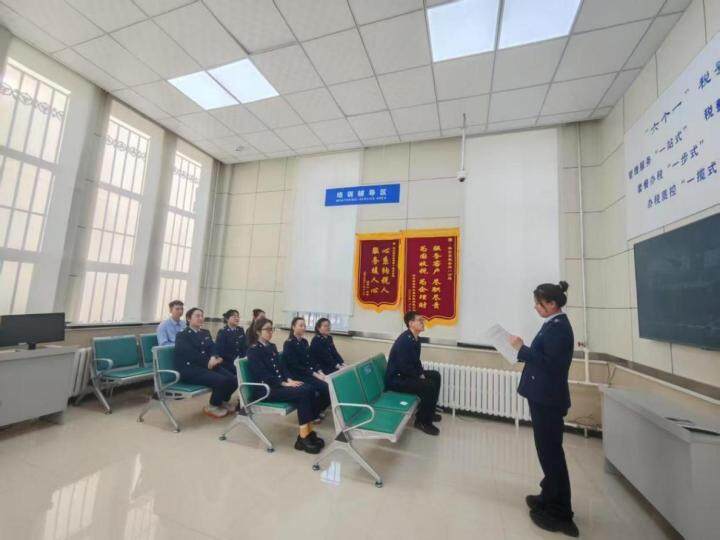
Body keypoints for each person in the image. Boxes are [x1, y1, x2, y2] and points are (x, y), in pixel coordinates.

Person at [508, 281, 579, 537]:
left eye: (539, 304)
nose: (536, 308)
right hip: (542, 396)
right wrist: (524, 350)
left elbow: (551, 364)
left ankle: (560, 512)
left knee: (551, 454)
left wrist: (522, 349)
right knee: (546, 451)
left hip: (548, 398)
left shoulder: (559, 328)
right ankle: (548, 495)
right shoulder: (552, 324)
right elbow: (545, 357)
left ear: (552, 304)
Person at [246, 317, 325, 454]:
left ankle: (306, 433)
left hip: (277, 386)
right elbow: (263, 374)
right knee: (303, 392)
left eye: (272, 329)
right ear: (258, 331)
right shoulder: (253, 350)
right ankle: (303, 437)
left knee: (309, 389)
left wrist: (289, 380)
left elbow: (281, 367)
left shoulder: (271, 346)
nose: (271, 332)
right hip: (265, 389)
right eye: (267, 330)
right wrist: (284, 383)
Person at [174, 307, 238, 419]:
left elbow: (213, 347)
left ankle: (222, 401)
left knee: (234, 379)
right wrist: (210, 361)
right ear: (188, 318)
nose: (200, 318)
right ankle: (213, 406)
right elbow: (191, 354)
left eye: (202, 316)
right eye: (197, 316)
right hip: (191, 369)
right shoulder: (182, 335)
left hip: (208, 366)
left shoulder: (205, 332)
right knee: (221, 380)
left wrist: (214, 357)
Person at [385, 311, 442, 436]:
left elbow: (416, 361)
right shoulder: (405, 340)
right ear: (411, 323)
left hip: (405, 375)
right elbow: (403, 367)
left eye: (423, 320)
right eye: (420, 320)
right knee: (428, 385)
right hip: (396, 380)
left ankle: (429, 412)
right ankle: (422, 422)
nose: (423, 322)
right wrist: (419, 376)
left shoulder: (415, 338)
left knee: (435, 376)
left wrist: (421, 373)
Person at [282, 317, 330, 419]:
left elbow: (311, 359)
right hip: (298, 375)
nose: (303, 328)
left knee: (328, 385)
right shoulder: (289, 343)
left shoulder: (304, 342)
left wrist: (319, 371)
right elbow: (295, 365)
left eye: (304, 325)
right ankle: (314, 414)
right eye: (301, 325)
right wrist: (314, 374)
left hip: (307, 373)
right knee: (323, 387)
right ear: (293, 327)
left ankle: (316, 410)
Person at [215, 309, 246, 375]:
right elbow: (221, 352)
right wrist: (235, 360)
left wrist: (243, 359)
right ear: (227, 319)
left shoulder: (240, 330)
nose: (237, 318)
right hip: (228, 364)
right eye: (234, 316)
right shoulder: (223, 332)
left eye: (238, 316)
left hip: (240, 362)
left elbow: (244, 346)